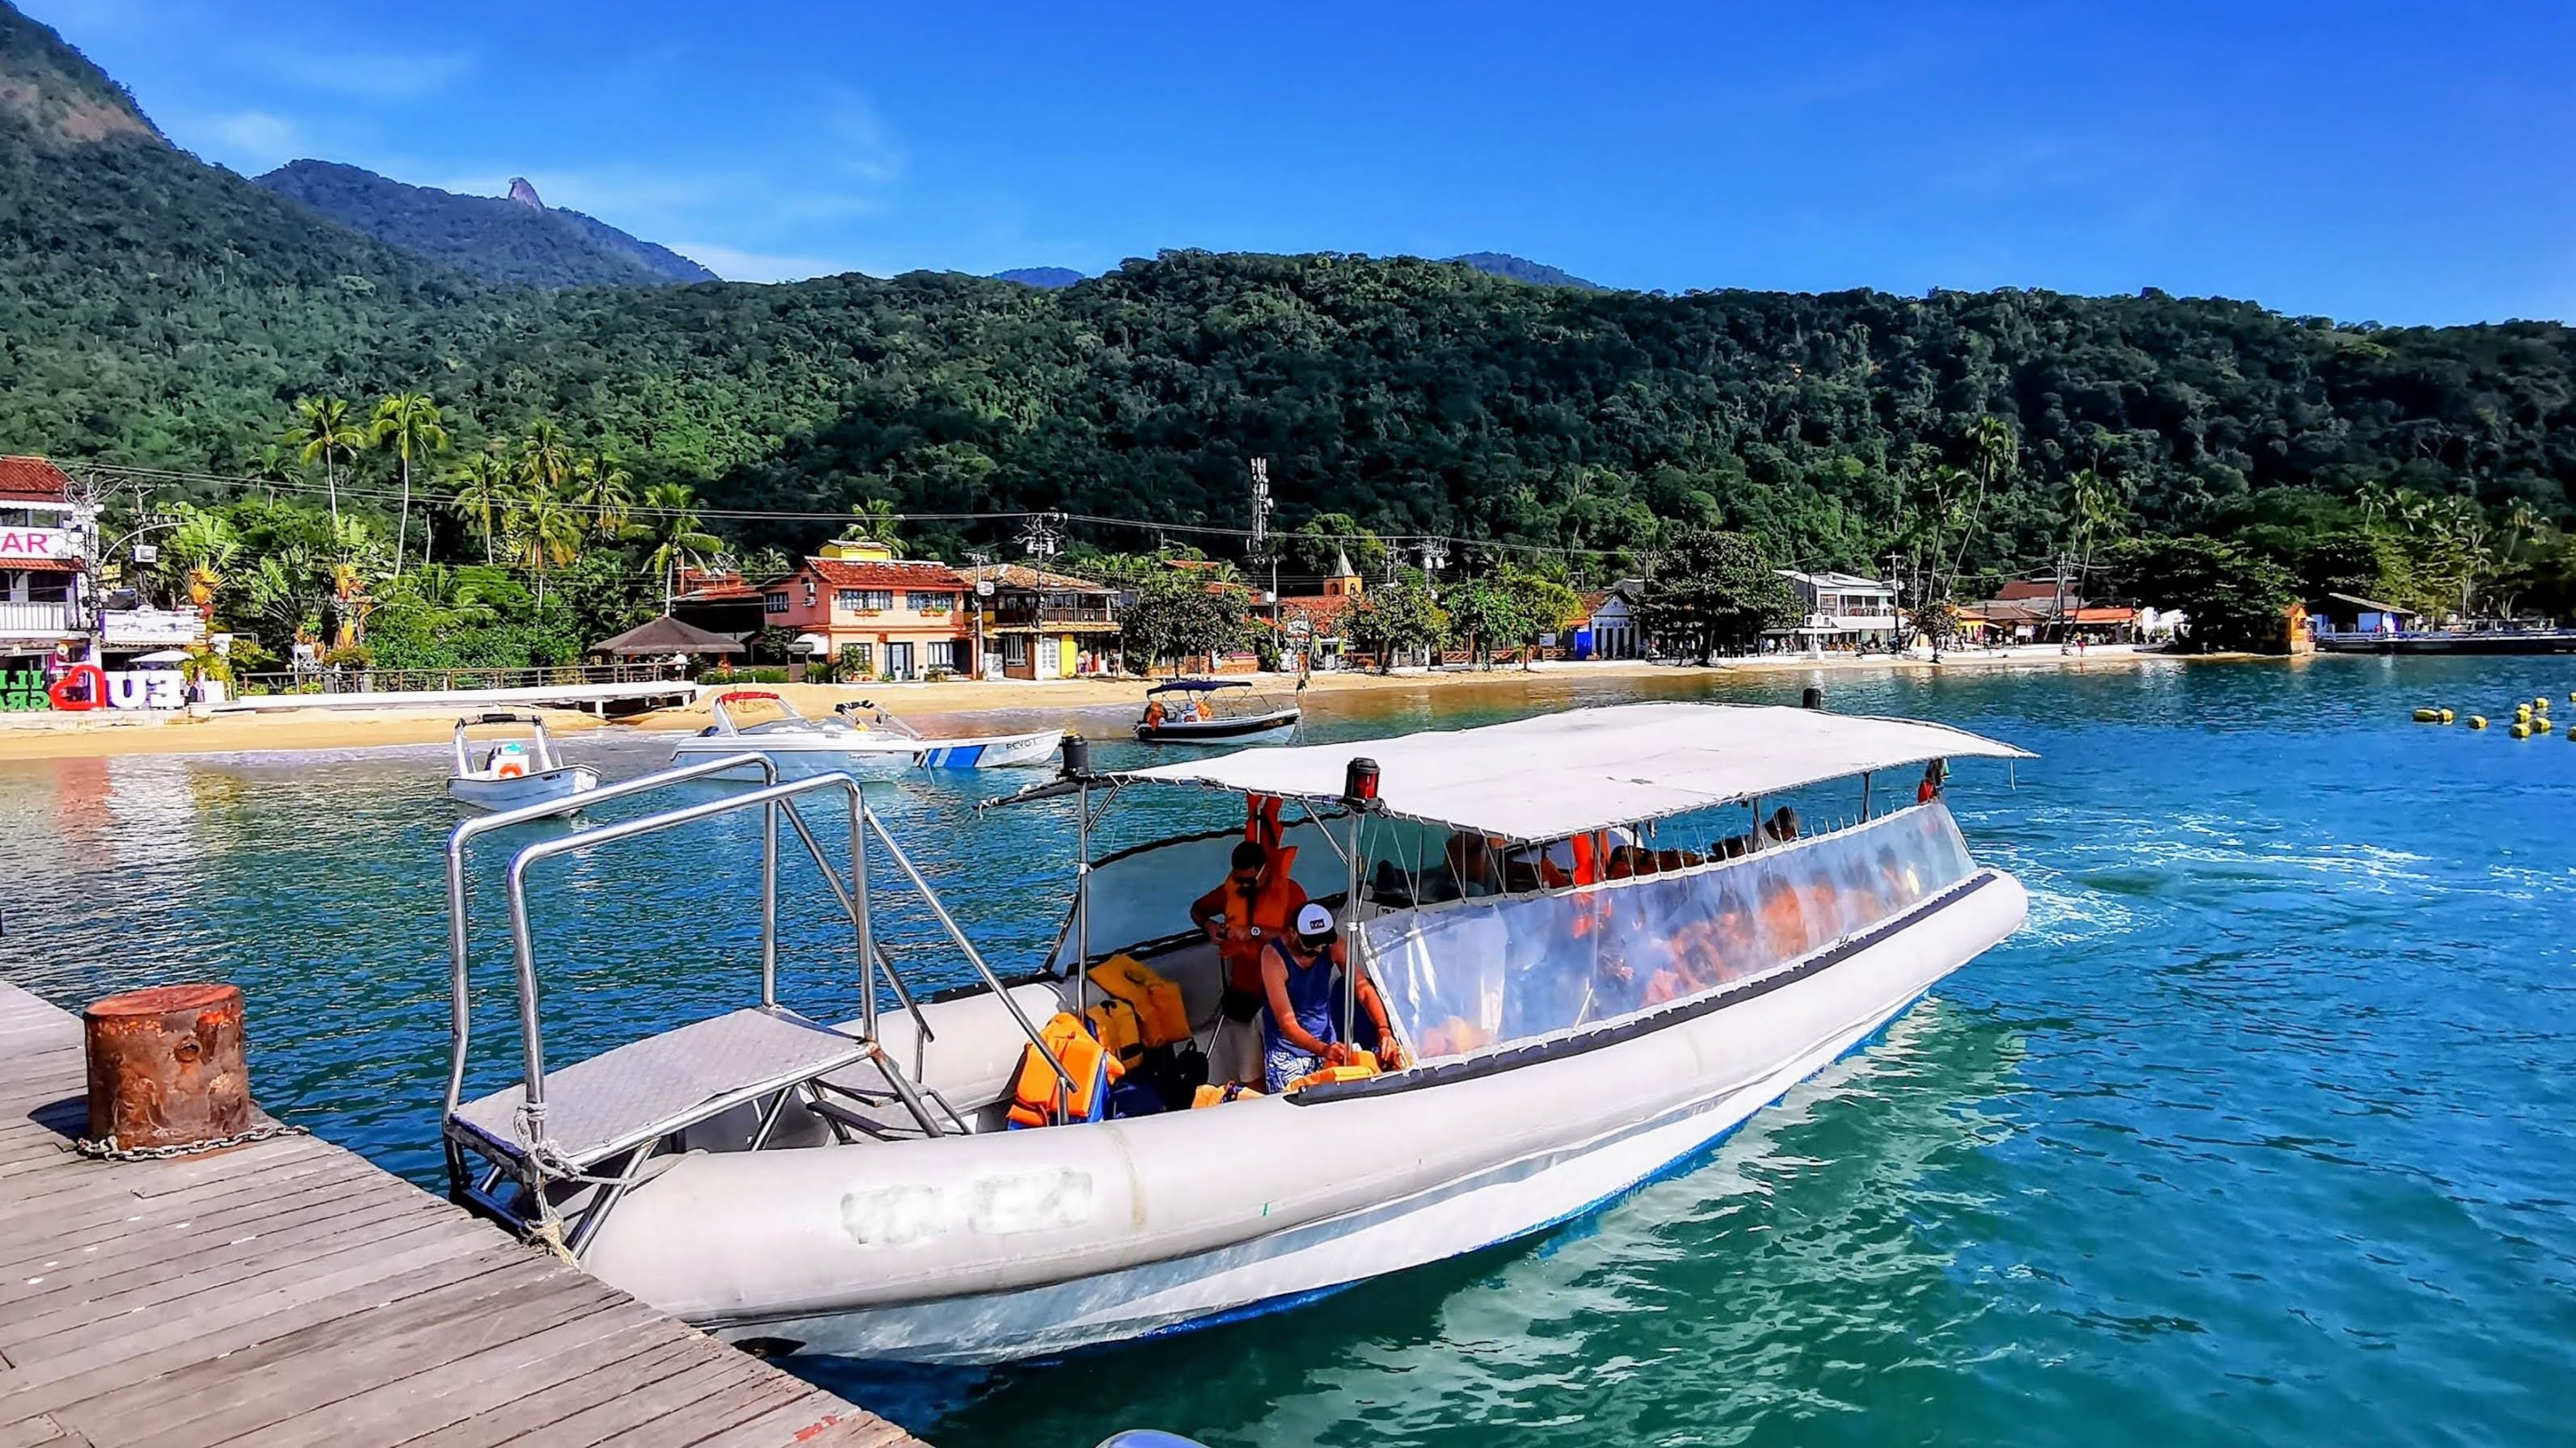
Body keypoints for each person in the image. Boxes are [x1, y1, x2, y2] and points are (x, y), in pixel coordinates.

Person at [1191, 839, 1306, 1084]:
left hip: (1281, 999)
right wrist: (1209, 925)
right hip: (1243, 997)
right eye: (1238, 878)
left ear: (1264, 872)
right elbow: (1198, 909)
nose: (1242, 885)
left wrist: (1252, 932)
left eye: (1248, 881)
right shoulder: (1231, 889)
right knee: (1249, 1074)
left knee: (1286, 1073)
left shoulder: (1291, 893)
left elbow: (1299, 940)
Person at [1260, 903, 1401, 1090]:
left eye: (1323, 943)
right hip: (1287, 1052)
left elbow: (1363, 989)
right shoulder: (1273, 957)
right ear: (1293, 934)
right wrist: (1324, 1050)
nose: (1319, 950)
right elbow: (1288, 1024)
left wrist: (1384, 1031)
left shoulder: (1334, 946)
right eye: (1311, 946)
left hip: (1328, 1043)